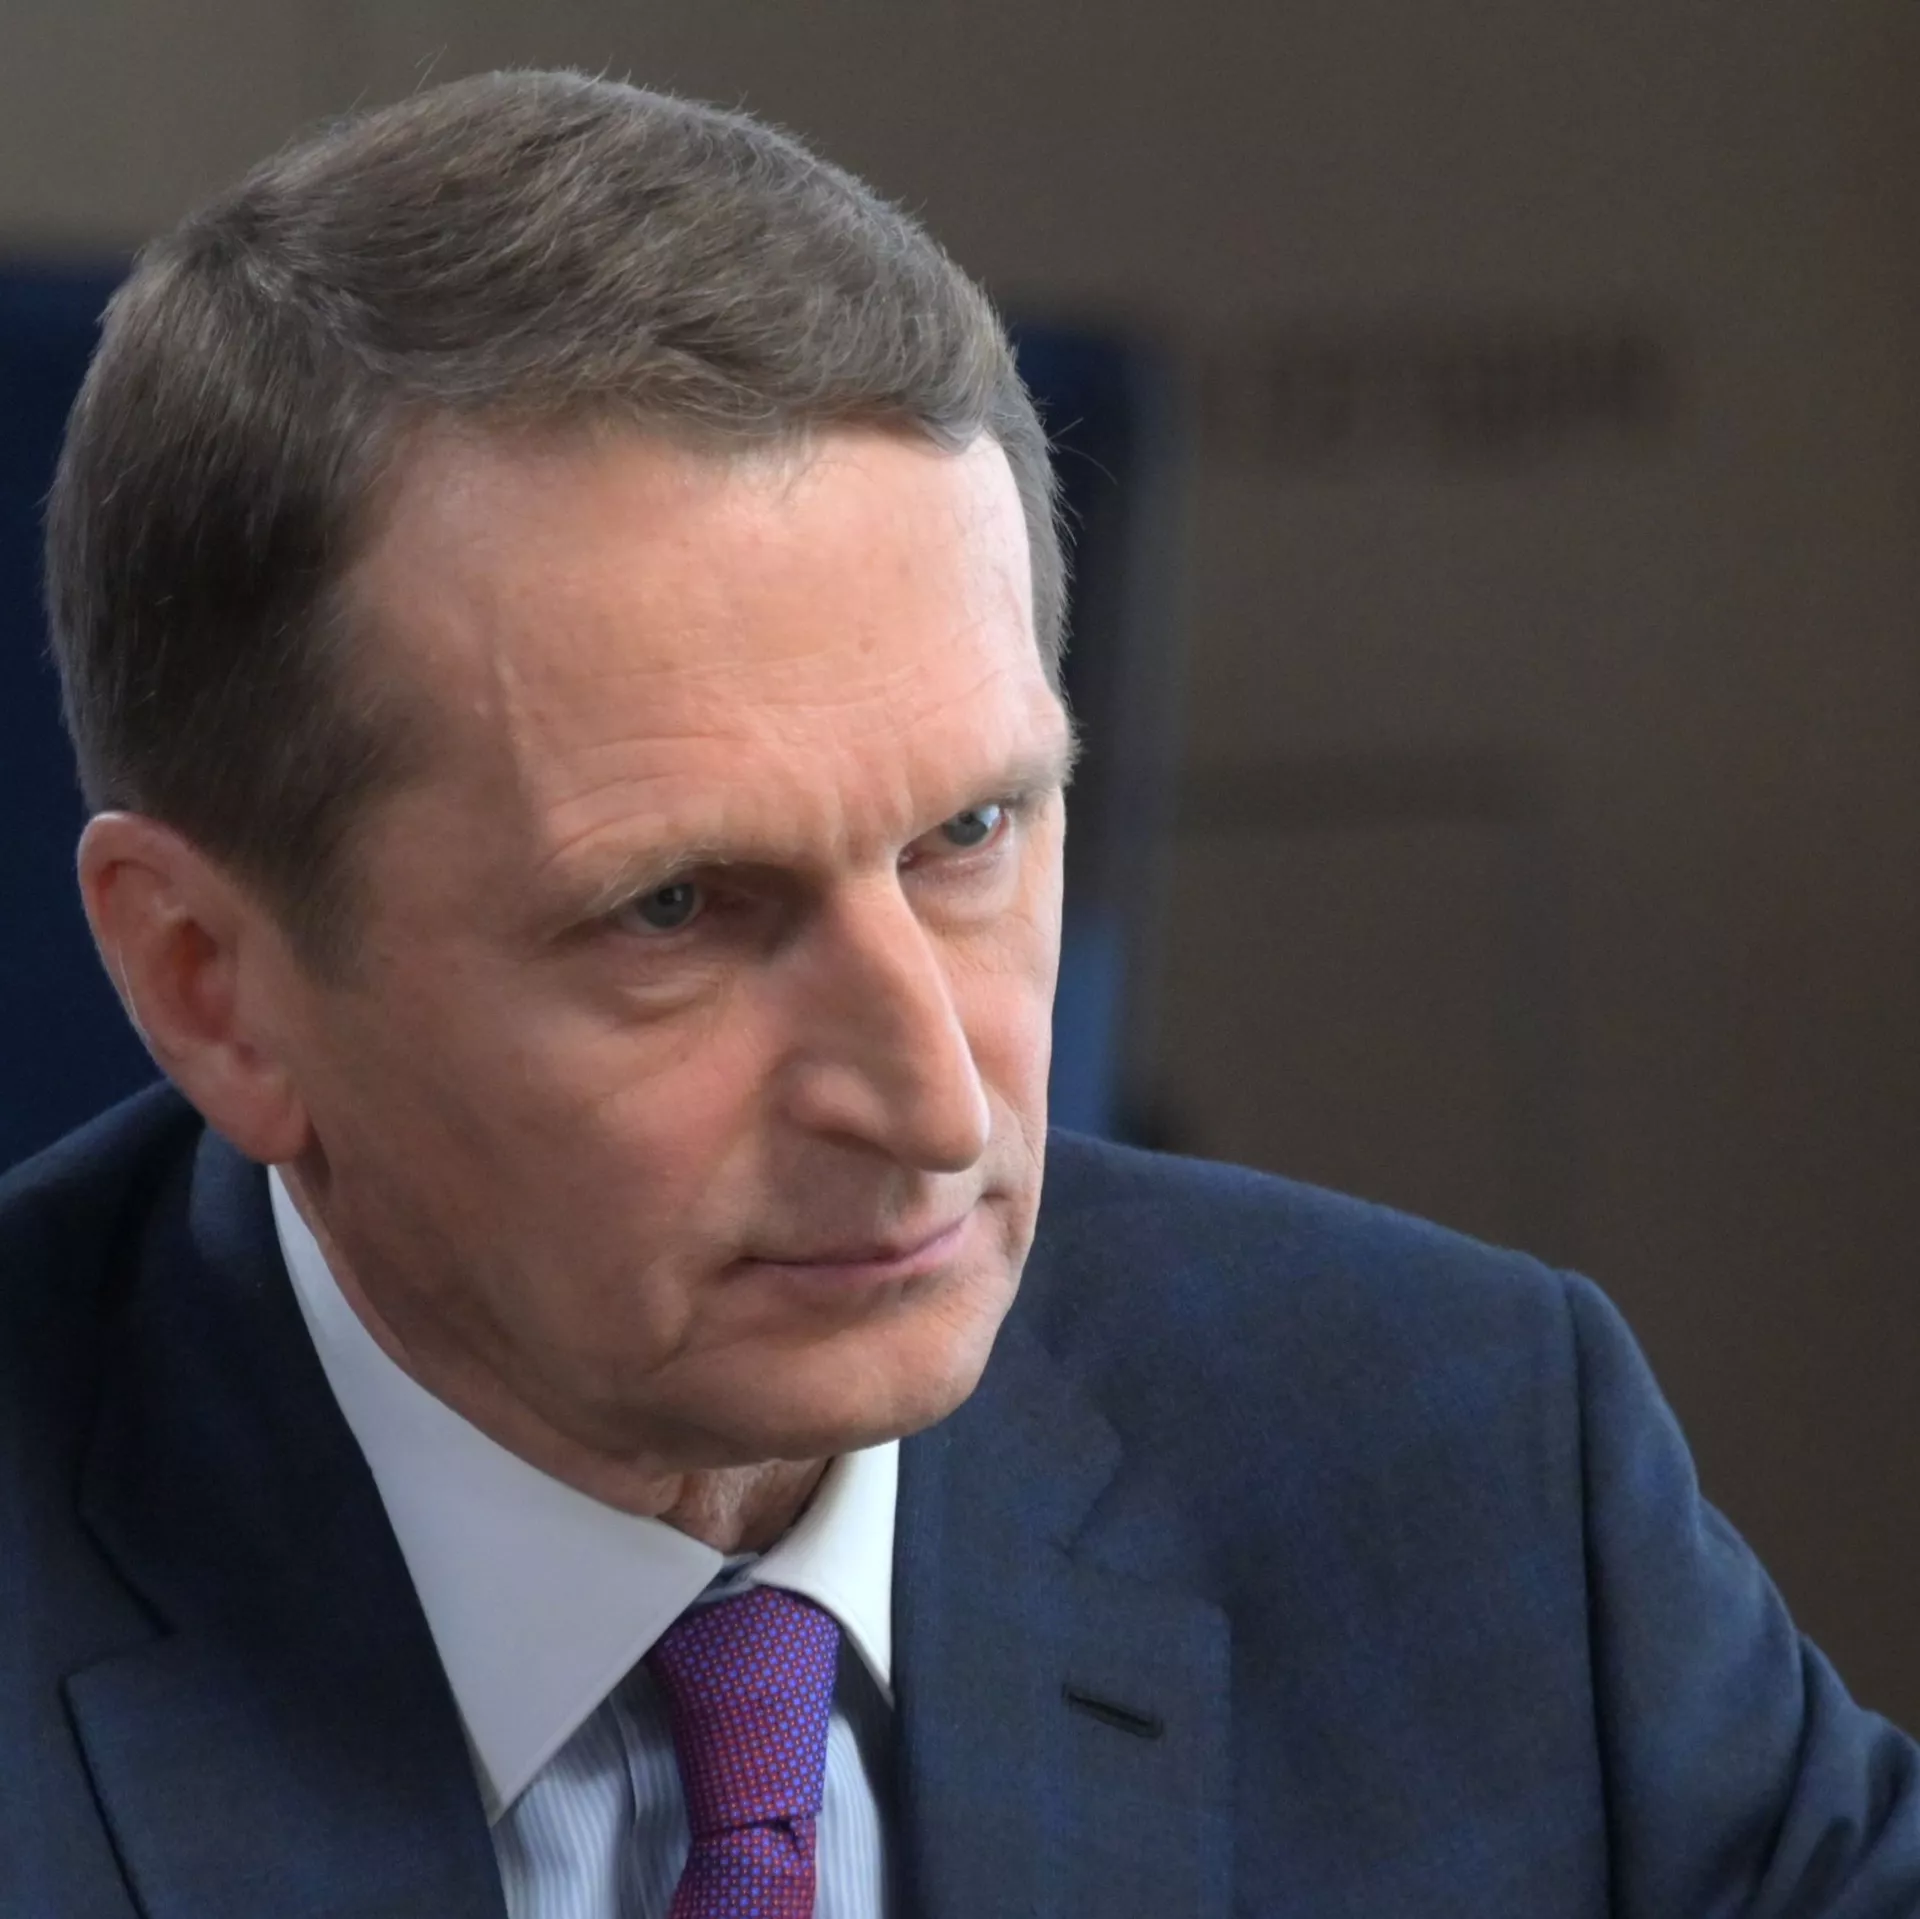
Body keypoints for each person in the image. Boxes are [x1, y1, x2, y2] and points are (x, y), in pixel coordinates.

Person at [2, 67, 1916, 1919]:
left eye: (972, 832)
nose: (936, 1105)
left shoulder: (1467, 1473)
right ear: (212, 985)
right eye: (674, 908)